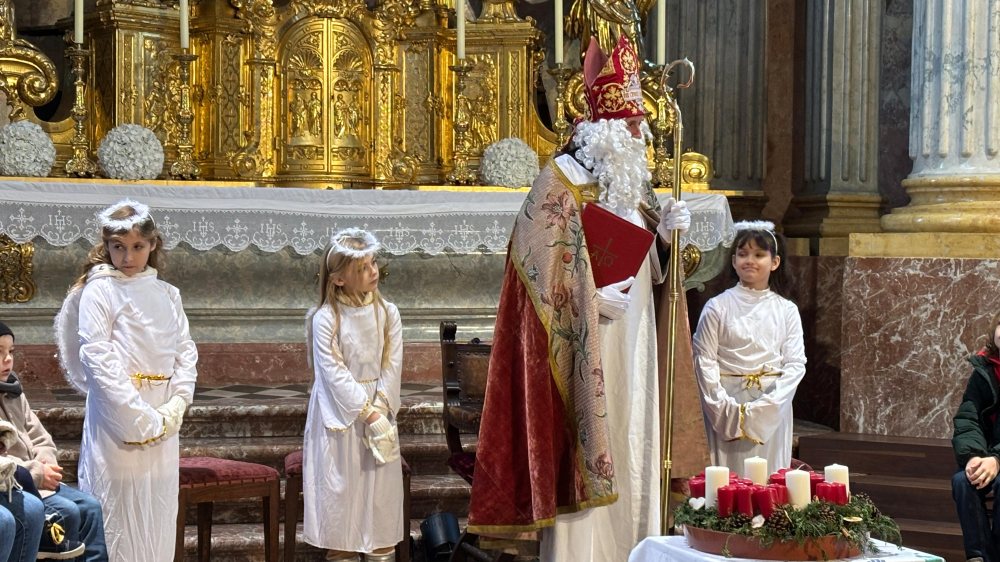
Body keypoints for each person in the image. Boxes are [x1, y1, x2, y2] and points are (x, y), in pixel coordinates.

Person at [467, 35, 700, 562]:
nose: (641, 132)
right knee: (597, 440)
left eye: (640, 122)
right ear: (603, 130)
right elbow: (534, 266)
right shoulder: (560, 181)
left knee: (636, 434)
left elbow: (649, 267)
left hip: (636, 334)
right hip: (584, 343)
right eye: (632, 124)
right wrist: (590, 300)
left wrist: (663, 237)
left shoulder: (630, 186)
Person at [54, 199, 198, 562]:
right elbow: (97, 356)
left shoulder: (168, 294)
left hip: (164, 415)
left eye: (137, 247)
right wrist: (137, 416)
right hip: (117, 415)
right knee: (116, 508)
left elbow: (185, 351)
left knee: (157, 509)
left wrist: (177, 404)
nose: (128, 256)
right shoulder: (99, 290)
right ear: (107, 247)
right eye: (118, 247)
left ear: (153, 245)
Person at [302, 228, 403, 562]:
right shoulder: (326, 318)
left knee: (380, 517)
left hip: (380, 413)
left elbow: (392, 364)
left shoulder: (388, 312)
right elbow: (332, 373)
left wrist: (382, 409)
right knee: (342, 517)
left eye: (373, 263)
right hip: (341, 420)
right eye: (362, 268)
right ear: (339, 279)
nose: (373, 271)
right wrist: (368, 414)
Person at [692, 220, 806, 475]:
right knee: (727, 477)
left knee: (767, 477)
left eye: (759, 254)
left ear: (775, 262)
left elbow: (795, 363)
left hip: (773, 404)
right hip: (724, 402)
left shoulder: (786, 310)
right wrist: (721, 406)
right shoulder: (717, 306)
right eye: (743, 254)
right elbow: (704, 360)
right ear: (733, 261)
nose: (749, 260)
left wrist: (770, 405)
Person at [0, 321, 102, 560]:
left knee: (91, 508)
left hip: (36, 478)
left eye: (11, 352)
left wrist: (45, 462)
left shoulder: (13, 390)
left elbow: (41, 437)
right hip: (18, 482)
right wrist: (36, 472)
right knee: (68, 512)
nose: (7, 359)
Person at [951, 312, 1000, 562]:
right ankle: (979, 557)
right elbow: (967, 418)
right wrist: (973, 456)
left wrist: (997, 459)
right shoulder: (985, 368)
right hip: (988, 454)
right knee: (963, 480)